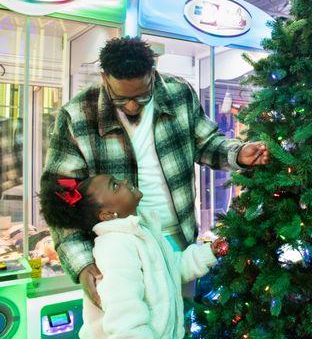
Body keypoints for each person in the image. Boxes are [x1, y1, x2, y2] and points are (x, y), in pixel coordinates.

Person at [41, 37, 269, 307]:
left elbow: (206, 143)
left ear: (153, 72)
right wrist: (82, 262)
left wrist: (237, 153)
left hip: (177, 241)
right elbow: (61, 198)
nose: (132, 106)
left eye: (142, 95)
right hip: (117, 250)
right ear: (104, 78)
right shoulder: (77, 115)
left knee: (178, 320)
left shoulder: (179, 93)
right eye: (121, 98)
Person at [38, 174, 228, 338]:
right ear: (108, 215)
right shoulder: (115, 247)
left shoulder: (143, 233)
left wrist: (209, 251)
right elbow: (124, 315)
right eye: (115, 185)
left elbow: (172, 269)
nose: (125, 180)